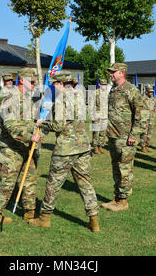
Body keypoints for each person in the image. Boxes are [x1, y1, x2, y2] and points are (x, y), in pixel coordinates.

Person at [29, 71, 100, 232]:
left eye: (54, 83)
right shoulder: (79, 96)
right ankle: (93, 219)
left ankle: (44, 217)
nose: (53, 86)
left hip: (66, 149)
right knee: (85, 183)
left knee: (53, 184)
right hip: (82, 147)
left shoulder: (62, 99)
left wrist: (42, 123)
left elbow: (59, 126)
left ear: (61, 83)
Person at [0, 67, 42, 225]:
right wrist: (29, 136)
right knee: (7, 182)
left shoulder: (31, 98)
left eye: (35, 82)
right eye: (31, 82)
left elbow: (33, 121)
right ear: (21, 81)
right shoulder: (10, 97)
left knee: (30, 180)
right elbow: (10, 125)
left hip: (28, 147)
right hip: (11, 148)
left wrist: (39, 129)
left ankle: (29, 211)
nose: (33, 85)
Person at [101, 63, 146, 212]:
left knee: (125, 169)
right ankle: (117, 198)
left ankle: (123, 201)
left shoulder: (131, 90)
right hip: (113, 136)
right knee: (116, 168)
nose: (111, 74)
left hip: (126, 138)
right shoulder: (113, 90)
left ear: (122, 73)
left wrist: (134, 134)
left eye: (113, 72)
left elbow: (141, 114)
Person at [91, 78, 109, 155]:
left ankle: (100, 146)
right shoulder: (95, 93)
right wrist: (91, 115)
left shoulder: (108, 93)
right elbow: (91, 104)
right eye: (102, 84)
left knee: (103, 132)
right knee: (96, 132)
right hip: (97, 115)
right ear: (99, 84)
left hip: (105, 115)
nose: (104, 86)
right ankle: (95, 147)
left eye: (105, 85)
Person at [140, 85, 156, 153]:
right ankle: (143, 146)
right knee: (144, 132)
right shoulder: (142, 99)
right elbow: (139, 107)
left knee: (150, 132)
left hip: (151, 118)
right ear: (146, 92)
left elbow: (154, 108)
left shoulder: (154, 99)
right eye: (150, 92)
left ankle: (147, 145)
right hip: (144, 118)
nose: (151, 93)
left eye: (152, 92)